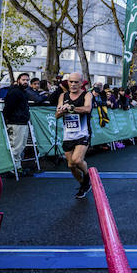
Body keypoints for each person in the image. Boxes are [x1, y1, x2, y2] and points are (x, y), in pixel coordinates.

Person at [55, 71, 94, 199]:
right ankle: (84, 184)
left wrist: (70, 108)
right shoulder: (63, 95)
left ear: (81, 83)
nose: (72, 84)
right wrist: (62, 110)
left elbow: (87, 109)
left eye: (76, 82)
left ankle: (88, 177)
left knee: (77, 160)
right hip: (68, 134)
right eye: (70, 82)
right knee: (71, 165)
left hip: (83, 133)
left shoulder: (87, 94)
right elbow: (57, 115)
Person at [2, 72, 32, 173]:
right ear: (18, 80)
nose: (25, 82)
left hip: (21, 122)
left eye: (27, 80)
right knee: (16, 147)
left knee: (20, 146)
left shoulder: (22, 92)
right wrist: (7, 120)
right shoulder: (15, 92)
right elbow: (8, 107)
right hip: (16, 123)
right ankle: (13, 169)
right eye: (23, 80)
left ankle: (17, 168)